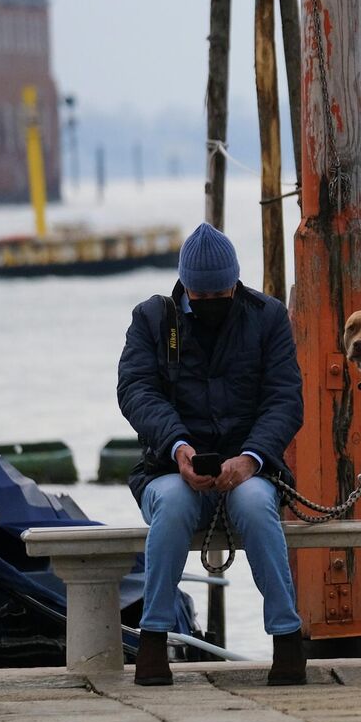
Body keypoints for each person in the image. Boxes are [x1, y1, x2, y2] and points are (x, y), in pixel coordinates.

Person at [117, 223, 306, 686]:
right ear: (185, 288)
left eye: (221, 293)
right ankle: (154, 638)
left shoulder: (267, 316)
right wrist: (180, 448)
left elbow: (285, 399)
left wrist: (251, 458)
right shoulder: (152, 320)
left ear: (236, 283)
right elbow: (135, 390)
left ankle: (287, 638)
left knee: (258, 505)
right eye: (202, 298)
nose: (211, 303)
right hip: (169, 468)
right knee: (175, 503)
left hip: (249, 468)